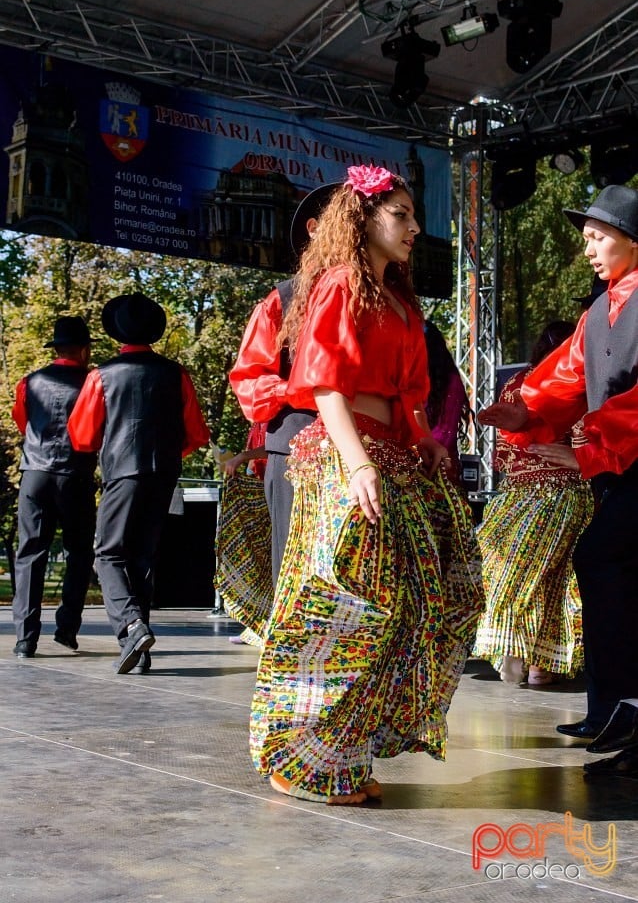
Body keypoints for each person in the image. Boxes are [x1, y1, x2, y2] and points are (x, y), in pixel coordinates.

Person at [249, 164, 484, 805]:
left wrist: (428, 441)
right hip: (345, 457)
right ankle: (297, 754)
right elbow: (326, 385)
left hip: (395, 456)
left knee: (420, 603)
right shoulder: (336, 287)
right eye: (401, 214)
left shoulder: (401, 303)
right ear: (364, 219)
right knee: (346, 606)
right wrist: (357, 465)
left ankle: (343, 749)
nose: (414, 226)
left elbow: (408, 396)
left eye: (414, 214)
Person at [477, 184, 638, 779]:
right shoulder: (600, 310)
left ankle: (624, 713)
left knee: (602, 560)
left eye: (599, 238)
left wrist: (591, 446)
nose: (589, 250)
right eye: (587, 240)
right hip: (619, 475)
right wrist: (525, 409)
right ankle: (616, 713)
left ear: (633, 239)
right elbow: (564, 376)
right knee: (605, 571)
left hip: (629, 466)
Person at [68, 292, 210, 674]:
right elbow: (196, 434)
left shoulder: (101, 375)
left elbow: (81, 436)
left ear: (117, 333)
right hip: (164, 473)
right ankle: (140, 651)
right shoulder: (176, 372)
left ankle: (131, 625)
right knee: (142, 557)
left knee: (108, 551)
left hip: (122, 472)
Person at [473, 320, 593, 685]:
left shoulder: (521, 384)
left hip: (531, 496)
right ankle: (540, 662)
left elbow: (505, 455)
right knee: (554, 578)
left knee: (516, 571)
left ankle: (522, 653)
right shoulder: (578, 385)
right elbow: (588, 436)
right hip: (565, 493)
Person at [229, 183, 337, 586]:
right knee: (296, 573)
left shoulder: (385, 300)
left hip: (374, 449)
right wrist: (297, 389)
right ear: (314, 229)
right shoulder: (282, 300)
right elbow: (250, 380)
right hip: (296, 447)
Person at [11, 316, 98, 658]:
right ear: (85, 349)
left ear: (56, 348)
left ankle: (25, 638)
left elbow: (23, 422)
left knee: (30, 554)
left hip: (35, 473)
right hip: (75, 475)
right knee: (79, 552)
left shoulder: (29, 382)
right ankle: (67, 629)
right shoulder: (94, 382)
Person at [215, 421, 271, 646]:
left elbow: (278, 446)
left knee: (269, 558)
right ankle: (257, 623)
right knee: (260, 559)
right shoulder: (259, 420)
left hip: (275, 486)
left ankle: (266, 623)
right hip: (260, 484)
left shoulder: (276, 412)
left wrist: (243, 457)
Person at [423, 319, 471, 485]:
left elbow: (444, 434)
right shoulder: (404, 380)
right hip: (408, 466)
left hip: (439, 472)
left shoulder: (450, 383)